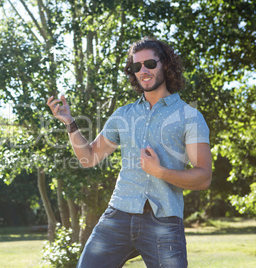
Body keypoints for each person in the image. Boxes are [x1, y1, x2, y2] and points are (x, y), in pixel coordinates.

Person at [47, 37, 212, 268]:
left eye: (150, 64)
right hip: (118, 216)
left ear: (165, 64)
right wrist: (70, 123)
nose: (143, 70)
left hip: (164, 221)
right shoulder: (123, 115)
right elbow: (88, 158)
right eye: (137, 67)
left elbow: (203, 177)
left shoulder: (189, 117)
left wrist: (160, 171)